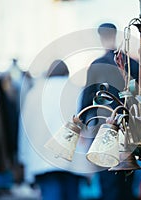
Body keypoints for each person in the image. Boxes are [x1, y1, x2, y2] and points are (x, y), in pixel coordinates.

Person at [78, 23, 141, 200]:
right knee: (127, 184)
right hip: (132, 132)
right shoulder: (133, 64)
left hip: (105, 132)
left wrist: (81, 125)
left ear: (100, 37)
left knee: (109, 184)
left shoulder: (97, 65)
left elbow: (87, 97)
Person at [18, 60, 82, 200]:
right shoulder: (76, 91)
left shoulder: (35, 93)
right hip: (72, 161)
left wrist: (23, 157)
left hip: (42, 159)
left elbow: (25, 127)